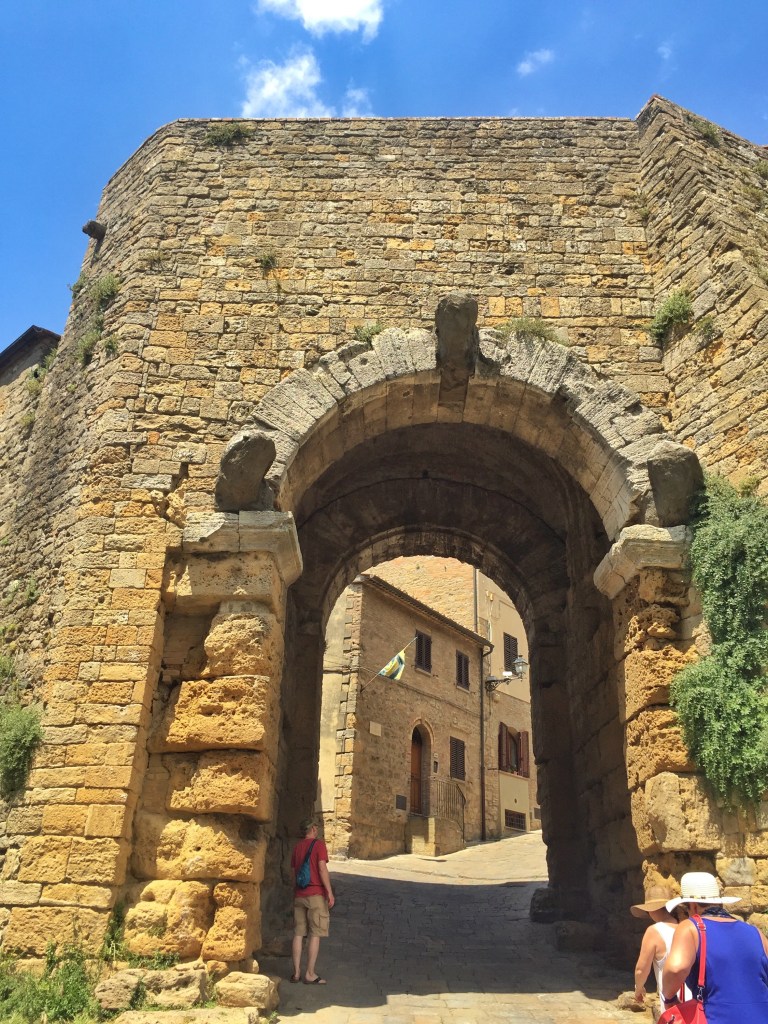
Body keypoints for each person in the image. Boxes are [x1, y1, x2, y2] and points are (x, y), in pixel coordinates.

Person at [662, 871, 768, 1023]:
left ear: (692, 906)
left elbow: (676, 969)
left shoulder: (691, 928)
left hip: (717, 1017)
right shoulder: (755, 932)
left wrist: (669, 998)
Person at [290, 817, 335, 985]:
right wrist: (329, 892)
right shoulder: (318, 845)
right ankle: (310, 973)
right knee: (315, 934)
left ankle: (296, 973)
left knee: (298, 933)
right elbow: (322, 868)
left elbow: (294, 872)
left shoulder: (296, 847)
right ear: (314, 828)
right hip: (316, 894)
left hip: (300, 895)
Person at [631, 884, 688, 1016]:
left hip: (672, 1002)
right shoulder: (686, 928)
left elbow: (641, 969)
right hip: (694, 1001)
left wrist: (638, 989)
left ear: (651, 910)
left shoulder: (654, 932)